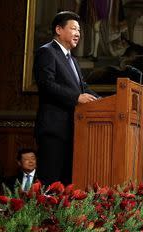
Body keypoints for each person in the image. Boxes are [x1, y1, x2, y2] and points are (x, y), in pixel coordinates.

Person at [34, 11, 100, 186]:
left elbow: (83, 87)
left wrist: (103, 101)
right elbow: (46, 85)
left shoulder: (73, 60)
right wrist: (77, 97)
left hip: (72, 130)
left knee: (66, 185)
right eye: (73, 29)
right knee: (50, 183)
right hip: (53, 130)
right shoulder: (47, 52)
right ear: (58, 29)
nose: (78, 33)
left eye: (79, 30)